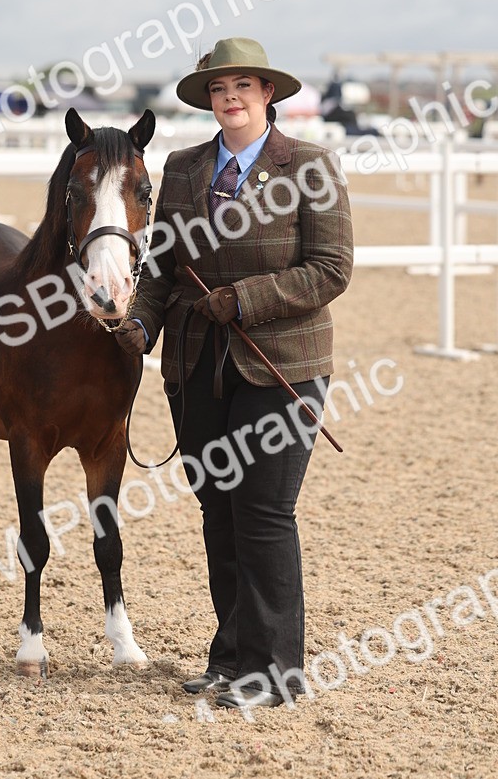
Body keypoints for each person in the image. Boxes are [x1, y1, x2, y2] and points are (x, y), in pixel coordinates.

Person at [115, 37, 354, 713]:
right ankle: (230, 658)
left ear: (267, 93)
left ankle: (275, 672)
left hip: (284, 367)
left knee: (263, 512)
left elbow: (331, 269)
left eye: (243, 86)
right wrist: (141, 324)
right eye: (220, 89)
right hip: (197, 365)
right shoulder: (183, 168)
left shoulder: (309, 166)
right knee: (219, 512)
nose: (231, 98)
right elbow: (162, 266)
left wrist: (246, 299)